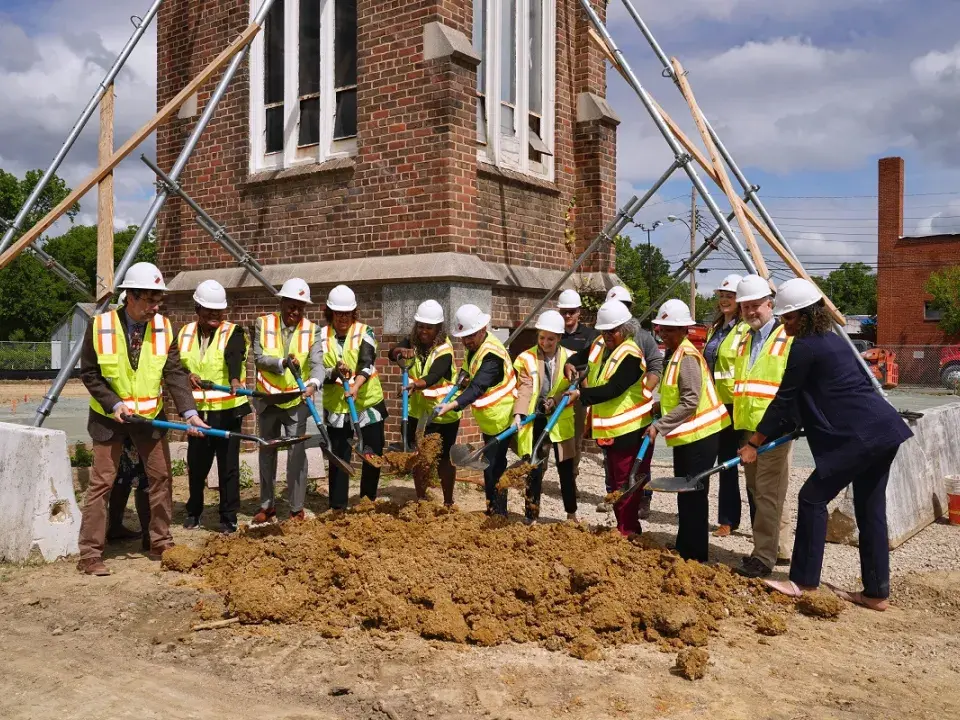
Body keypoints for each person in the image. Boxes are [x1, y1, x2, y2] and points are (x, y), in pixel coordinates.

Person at [739, 279, 913, 611]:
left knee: (811, 498)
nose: (786, 325)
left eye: (789, 319)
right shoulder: (835, 341)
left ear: (805, 316)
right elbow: (820, 394)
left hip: (858, 439)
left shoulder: (804, 347)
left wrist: (753, 443)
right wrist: (795, 424)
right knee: (870, 510)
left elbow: (783, 399)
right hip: (884, 430)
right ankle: (876, 593)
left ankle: (802, 582)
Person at [77, 262, 209, 575]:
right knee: (101, 484)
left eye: (157, 299)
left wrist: (190, 413)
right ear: (130, 297)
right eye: (149, 299)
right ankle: (90, 554)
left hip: (149, 418)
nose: (155, 306)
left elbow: (174, 372)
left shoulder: (164, 327)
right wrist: (113, 404)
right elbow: (90, 373)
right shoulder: (99, 326)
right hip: (110, 419)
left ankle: (160, 541)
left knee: (161, 477)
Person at [647, 300, 731, 561]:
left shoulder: (687, 357)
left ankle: (696, 556)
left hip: (702, 436)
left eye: (670, 330)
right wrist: (659, 407)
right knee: (684, 492)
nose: (664, 334)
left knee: (694, 494)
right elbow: (678, 396)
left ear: (684, 330)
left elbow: (691, 401)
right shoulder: (675, 355)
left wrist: (659, 425)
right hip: (687, 436)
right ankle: (684, 547)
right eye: (662, 329)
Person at [564, 300, 653, 536]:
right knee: (614, 483)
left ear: (625, 329)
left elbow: (614, 389)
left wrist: (580, 394)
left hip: (630, 428)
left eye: (611, 331)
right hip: (610, 428)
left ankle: (628, 530)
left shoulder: (632, 355)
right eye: (603, 331)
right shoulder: (599, 345)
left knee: (625, 482)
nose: (606, 336)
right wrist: (569, 364)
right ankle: (622, 527)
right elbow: (579, 357)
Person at [732, 274, 797, 578]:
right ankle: (775, 549)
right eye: (745, 307)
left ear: (770, 305)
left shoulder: (787, 337)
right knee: (758, 492)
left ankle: (763, 558)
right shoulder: (746, 337)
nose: (750, 312)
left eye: (755, 305)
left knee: (768, 494)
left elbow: (788, 390)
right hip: (748, 426)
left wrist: (763, 435)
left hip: (773, 429)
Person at [179, 280, 250, 534]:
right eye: (208, 310)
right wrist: (186, 375)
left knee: (228, 466)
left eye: (218, 311)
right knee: (197, 464)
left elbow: (235, 355)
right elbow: (176, 364)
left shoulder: (234, 332)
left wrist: (233, 379)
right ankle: (193, 511)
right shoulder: (185, 333)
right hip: (198, 412)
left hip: (228, 410)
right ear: (197, 308)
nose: (214, 315)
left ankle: (228, 516)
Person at [252, 277, 323, 522]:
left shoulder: (312, 329)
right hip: (268, 398)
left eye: (301, 307)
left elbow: (317, 364)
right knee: (267, 452)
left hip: (295, 401)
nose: (296, 311)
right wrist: (282, 363)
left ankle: (296, 508)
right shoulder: (263, 323)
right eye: (291, 305)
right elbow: (258, 358)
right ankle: (267, 506)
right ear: (282, 302)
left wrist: (314, 384)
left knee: (297, 454)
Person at [436, 304, 517, 516]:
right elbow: (468, 374)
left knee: (494, 467)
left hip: (502, 418)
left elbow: (478, 386)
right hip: (489, 419)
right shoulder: (475, 348)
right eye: (463, 337)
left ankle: (498, 513)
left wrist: (453, 405)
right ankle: (492, 508)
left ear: (483, 329)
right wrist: (461, 378)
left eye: (470, 336)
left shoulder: (492, 356)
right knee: (490, 465)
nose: (465, 341)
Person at [387, 299, 461, 505]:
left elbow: (436, 374)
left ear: (438, 329)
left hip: (443, 413)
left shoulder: (444, 349)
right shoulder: (412, 342)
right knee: (418, 457)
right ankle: (421, 499)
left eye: (429, 327)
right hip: (417, 413)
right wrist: (399, 352)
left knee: (444, 459)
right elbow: (391, 352)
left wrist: (417, 384)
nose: (423, 331)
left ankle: (448, 502)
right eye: (420, 326)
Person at [322, 284, 388, 509]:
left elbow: (367, 362)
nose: (342, 317)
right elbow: (317, 371)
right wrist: (333, 373)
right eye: (338, 312)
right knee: (339, 458)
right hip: (338, 407)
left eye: (347, 313)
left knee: (372, 455)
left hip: (367, 403)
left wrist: (357, 384)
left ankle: (367, 501)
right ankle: (338, 507)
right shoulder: (320, 336)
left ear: (354, 312)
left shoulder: (365, 331)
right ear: (330, 312)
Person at [604, 285, 664, 518]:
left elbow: (655, 366)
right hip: (611, 411)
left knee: (640, 459)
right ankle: (614, 495)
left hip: (636, 411)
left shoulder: (643, 337)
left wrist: (644, 391)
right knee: (612, 460)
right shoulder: (605, 339)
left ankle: (642, 500)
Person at [513, 310, 577, 523]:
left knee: (566, 469)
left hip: (560, 419)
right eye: (541, 337)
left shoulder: (571, 357)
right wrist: (519, 412)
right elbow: (525, 387)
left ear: (559, 338)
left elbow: (573, 386)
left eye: (551, 338)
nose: (545, 342)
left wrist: (556, 400)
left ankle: (571, 514)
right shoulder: (526, 358)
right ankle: (531, 516)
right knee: (535, 467)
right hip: (537, 419)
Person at [702, 274, 750, 537]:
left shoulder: (744, 330)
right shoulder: (717, 328)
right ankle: (725, 518)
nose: (723, 300)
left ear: (739, 300)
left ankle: (729, 520)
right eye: (721, 295)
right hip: (714, 403)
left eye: (729, 296)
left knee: (730, 463)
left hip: (734, 404)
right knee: (718, 462)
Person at [105, 290, 151, 551]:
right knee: (125, 477)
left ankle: (146, 534)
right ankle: (117, 527)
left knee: (141, 477)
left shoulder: (151, 332)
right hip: (116, 417)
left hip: (142, 418)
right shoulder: (109, 331)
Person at [557, 288, 598, 483]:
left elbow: (590, 363)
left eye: (571, 311)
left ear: (579, 312)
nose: (567, 316)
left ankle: (571, 479)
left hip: (577, 393)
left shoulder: (590, 335)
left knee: (575, 439)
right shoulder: (553, 332)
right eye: (563, 312)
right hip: (555, 390)